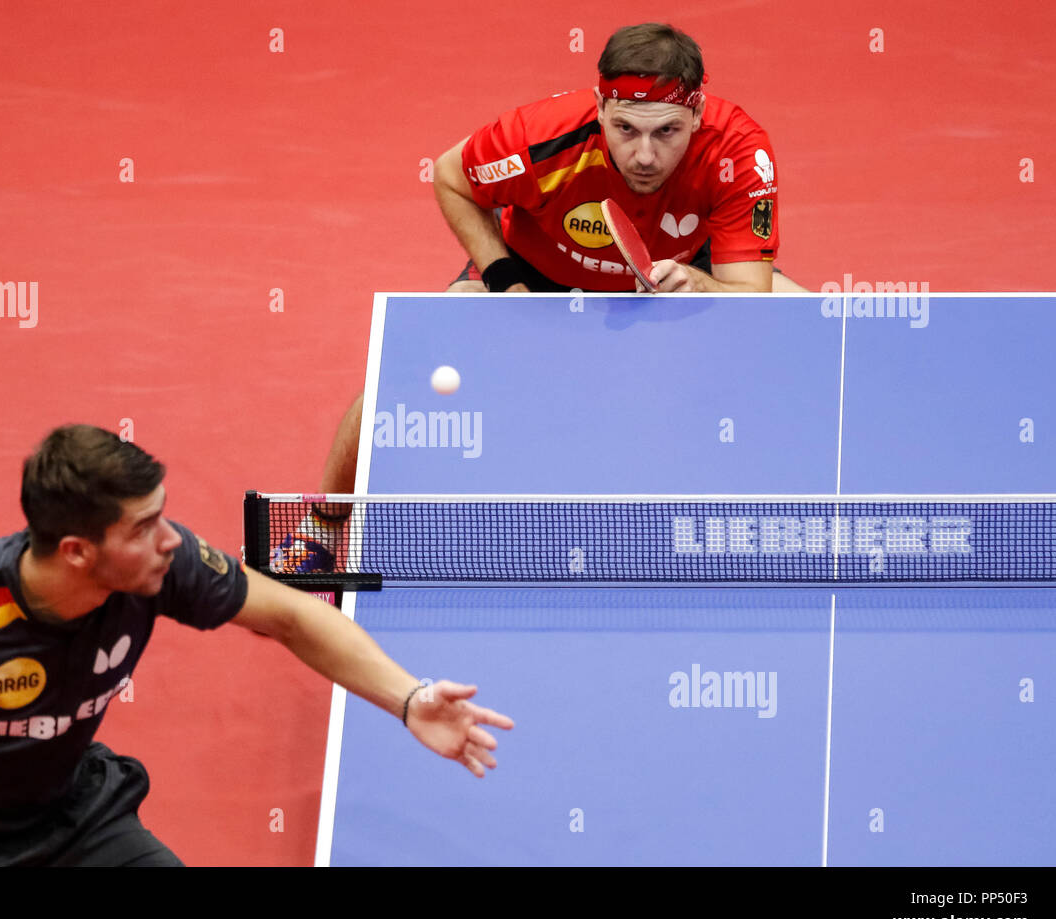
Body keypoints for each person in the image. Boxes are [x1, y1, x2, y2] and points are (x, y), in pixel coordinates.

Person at [0, 424, 513, 867]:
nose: (173, 539)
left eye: (164, 516)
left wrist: (408, 697)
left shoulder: (160, 567)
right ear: (76, 551)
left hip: (76, 816)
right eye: (142, 527)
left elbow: (291, 615)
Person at [271, 21, 807, 574]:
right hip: (541, 270)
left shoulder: (739, 151)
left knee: (810, 323)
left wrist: (701, 286)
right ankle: (323, 528)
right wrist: (502, 279)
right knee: (402, 380)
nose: (644, 155)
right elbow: (451, 178)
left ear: (696, 114)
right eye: (625, 128)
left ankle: (791, 489)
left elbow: (749, 299)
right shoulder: (540, 136)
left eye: (667, 132)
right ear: (599, 107)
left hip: (674, 274)